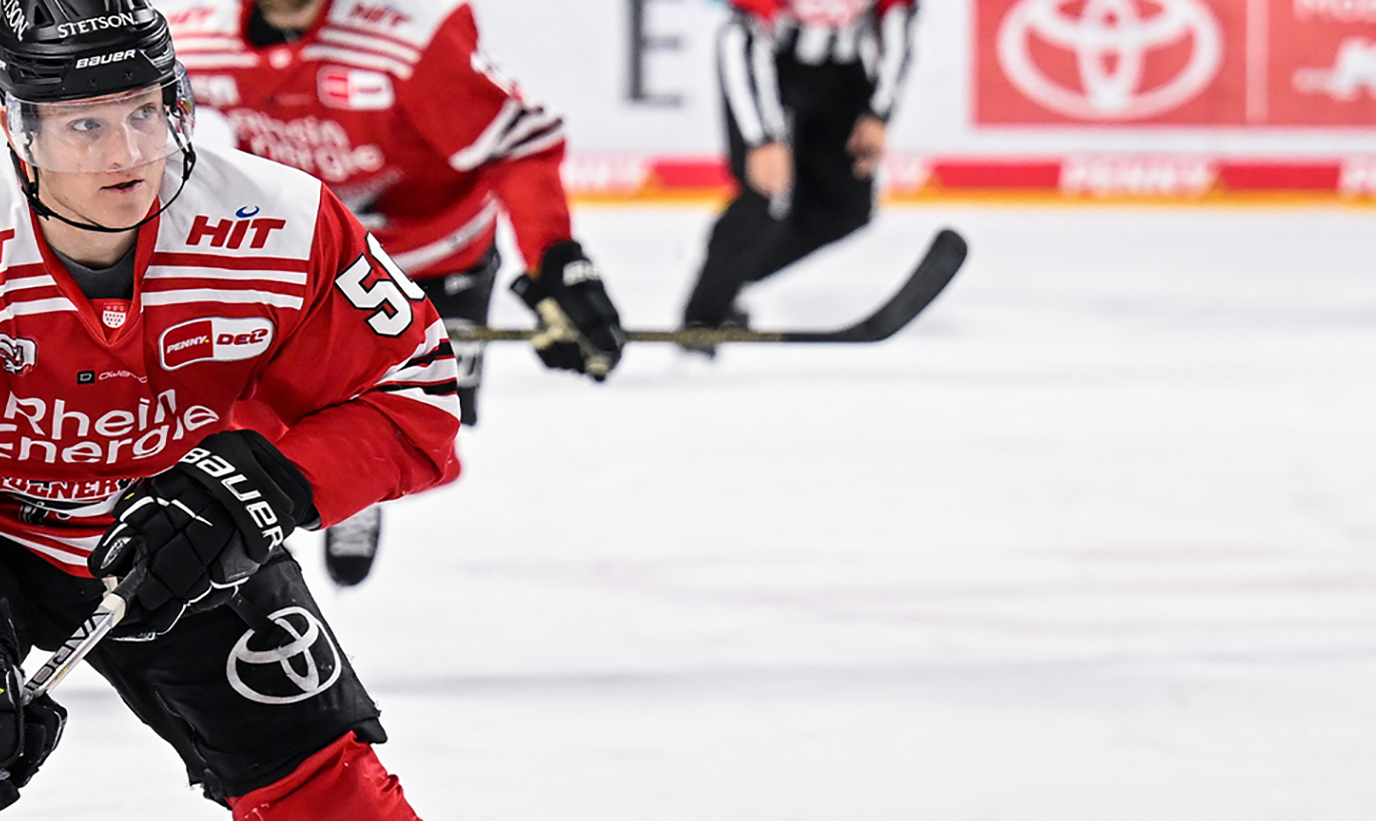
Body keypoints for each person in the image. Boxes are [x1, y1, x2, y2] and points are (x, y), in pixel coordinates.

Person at [0, 1, 512, 821]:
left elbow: (416, 399)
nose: (128, 150)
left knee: (344, 820)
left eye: (144, 109)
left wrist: (268, 485)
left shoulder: (280, 224)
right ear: (18, 128)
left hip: (185, 525)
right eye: (85, 123)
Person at [160, 0, 627, 584]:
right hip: (314, 255)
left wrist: (558, 262)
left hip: (437, 257)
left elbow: (517, 143)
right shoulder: (191, 41)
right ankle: (336, 489)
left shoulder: (412, 36)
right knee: (265, 404)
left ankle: (357, 486)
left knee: (423, 422)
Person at [679, 0, 917, 353]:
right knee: (766, 192)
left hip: (841, 73)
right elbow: (741, 34)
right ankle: (704, 316)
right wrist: (761, 136)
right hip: (770, 66)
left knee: (846, 209)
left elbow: (899, 20)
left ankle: (725, 275)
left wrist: (879, 112)